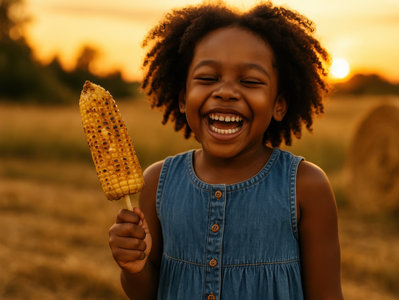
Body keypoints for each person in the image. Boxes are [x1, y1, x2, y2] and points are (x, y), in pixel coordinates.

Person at [108, 2, 343, 300]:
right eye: (207, 78)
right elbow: (147, 294)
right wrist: (132, 266)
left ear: (279, 104)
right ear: (182, 99)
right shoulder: (157, 182)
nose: (226, 92)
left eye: (250, 81)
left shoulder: (306, 186)